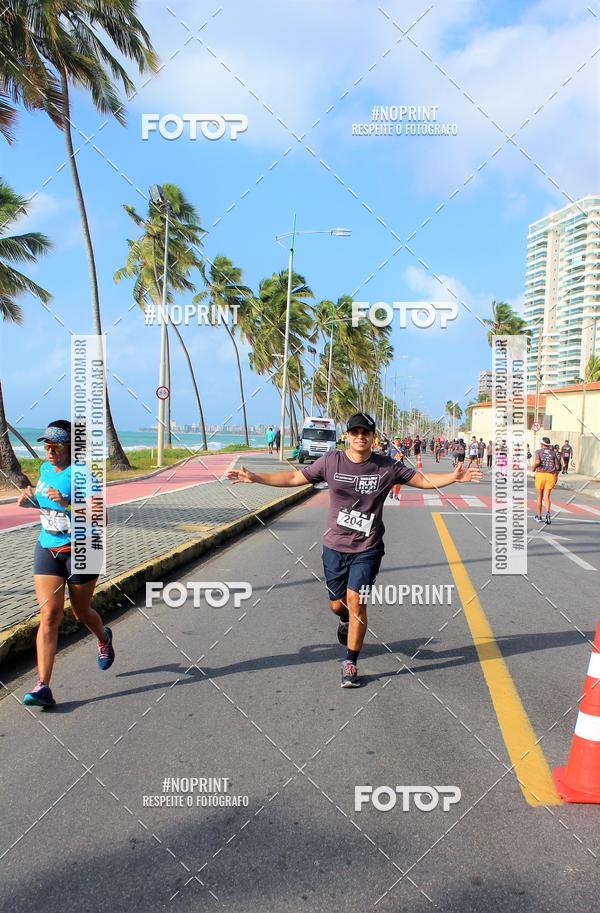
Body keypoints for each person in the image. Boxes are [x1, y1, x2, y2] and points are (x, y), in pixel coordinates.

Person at [227, 412, 482, 688]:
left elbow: (420, 481)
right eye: (355, 432)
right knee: (337, 604)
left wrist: (453, 477)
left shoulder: (387, 466)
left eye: (366, 433)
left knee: (357, 599)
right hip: (334, 546)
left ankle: (350, 661)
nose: (360, 437)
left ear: (373, 437)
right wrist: (255, 477)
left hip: (368, 547)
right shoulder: (331, 461)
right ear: (347, 436)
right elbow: (293, 478)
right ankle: (345, 618)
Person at [17, 420, 114, 708]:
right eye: (46, 446)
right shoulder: (46, 469)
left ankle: (103, 637)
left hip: (83, 549)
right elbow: (43, 498)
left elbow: (102, 519)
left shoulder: (83, 475)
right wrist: (30, 498)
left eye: (55, 446)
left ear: (71, 447)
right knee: (49, 616)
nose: (49, 451)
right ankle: (43, 686)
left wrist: (69, 504)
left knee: (81, 612)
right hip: (48, 545)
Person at [533, 435, 561, 524]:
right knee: (547, 497)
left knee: (539, 496)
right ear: (548, 445)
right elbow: (557, 466)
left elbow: (537, 462)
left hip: (541, 475)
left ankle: (539, 516)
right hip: (550, 476)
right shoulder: (553, 453)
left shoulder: (538, 452)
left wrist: (533, 468)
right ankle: (548, 513)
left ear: (542, 444)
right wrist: (556, 475)